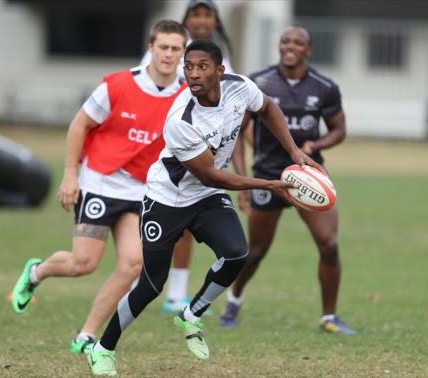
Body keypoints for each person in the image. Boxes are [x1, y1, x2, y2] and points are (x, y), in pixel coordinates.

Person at [87, 38, 324, 376]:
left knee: (236, 254)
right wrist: (268, 184)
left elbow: (268, 109)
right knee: (151, 286)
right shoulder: (181, 119)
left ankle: (190, 315)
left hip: (204, 197)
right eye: (189, 67)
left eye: (202, 67)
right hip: (167, 199)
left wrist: (294, 152)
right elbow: (212, 176)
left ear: (220, 71)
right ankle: (102, 348)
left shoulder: (240, 87)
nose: (193, 74)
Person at [10, 20, 188, 354]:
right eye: (163, 47)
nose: (168, 54)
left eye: (175, 48)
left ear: (182, 53)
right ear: (150, 47)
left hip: (141, 191)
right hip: (101, 182)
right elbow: (79, 125)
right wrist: (69, 174)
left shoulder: (184, 96)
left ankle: (87, 336)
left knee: (133, 265)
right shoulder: (118, 85)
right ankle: (36, 272)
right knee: (83, 264)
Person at [219, 26, 355, 335]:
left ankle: (329, 317)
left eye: (298, 42)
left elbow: (339, 129)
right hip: (268, 178)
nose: (289, 46)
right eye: (285, 41)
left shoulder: (324, 87)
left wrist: (316, 146)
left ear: (309, 50)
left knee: (329, 245)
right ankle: (234, 301)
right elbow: (239, 132)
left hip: (308, 176)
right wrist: (242, 177)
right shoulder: (259, 82)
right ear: (280, 47)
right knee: (254, 252)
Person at [142, 0, 235, 314]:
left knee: (187, 225)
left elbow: (235, 112)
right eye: (195, 13)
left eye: (207, 14)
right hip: (162, 150)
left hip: (199, 153)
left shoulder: (222, 61)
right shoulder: (169, 48)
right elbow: (145, 92)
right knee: (153, 225)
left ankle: (176, 295)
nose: (201, 19)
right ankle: (140, 287)